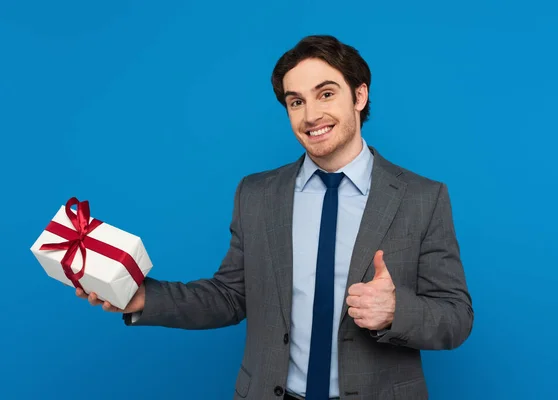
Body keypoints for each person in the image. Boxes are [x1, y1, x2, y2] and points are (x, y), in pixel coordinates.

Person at [78, 34, 474, 400]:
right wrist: (145, 297)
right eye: (296, 101)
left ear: (359, 95)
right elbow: (230, 296)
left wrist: (395, 311)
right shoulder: (257, 193)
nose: (311, 115)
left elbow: (456, 317)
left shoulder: (423, 197)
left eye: (326, 94)